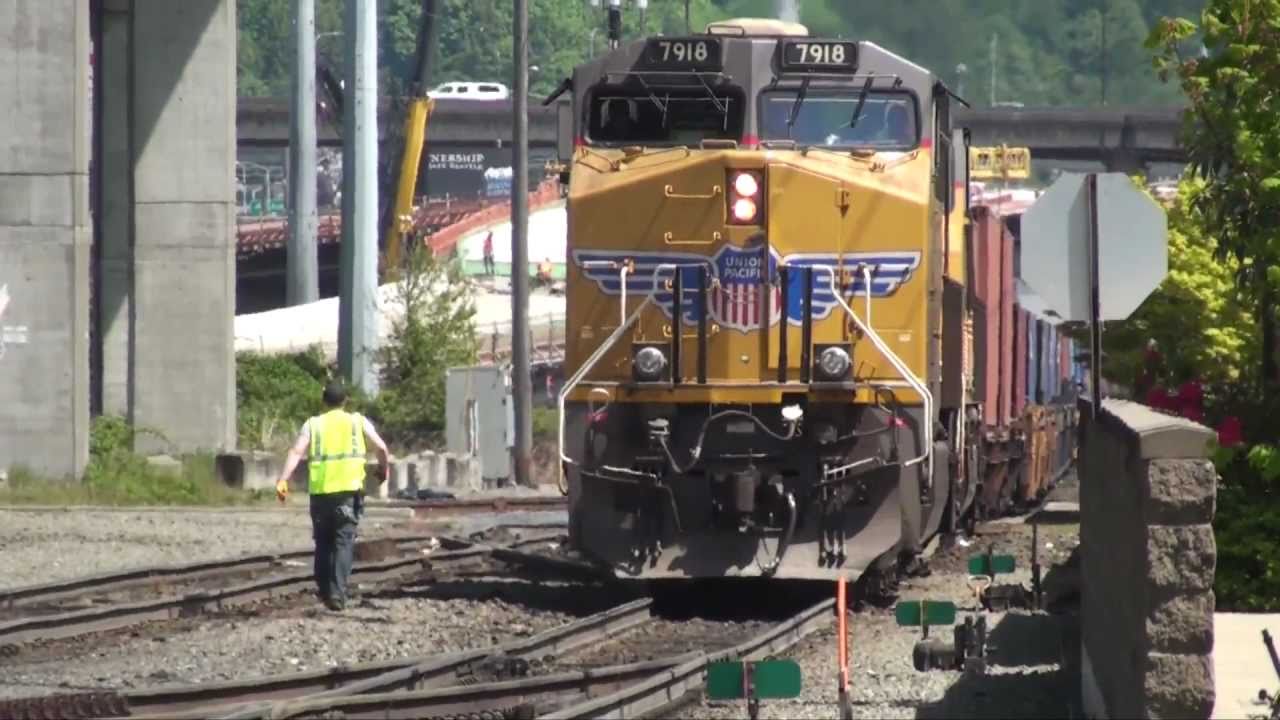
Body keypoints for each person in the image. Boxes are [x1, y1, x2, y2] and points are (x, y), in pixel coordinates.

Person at [275, 381, 391, 611]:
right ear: (345, 401)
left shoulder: (313, 424)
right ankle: (337, 593)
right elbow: (382, 448)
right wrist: (383, 469)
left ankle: (324, 589)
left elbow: (297, 451)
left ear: (323, 401)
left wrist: (283, 479)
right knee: (343, 541)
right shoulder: (357, 421)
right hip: (348, 493)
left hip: (320, 495)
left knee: (323, 542)